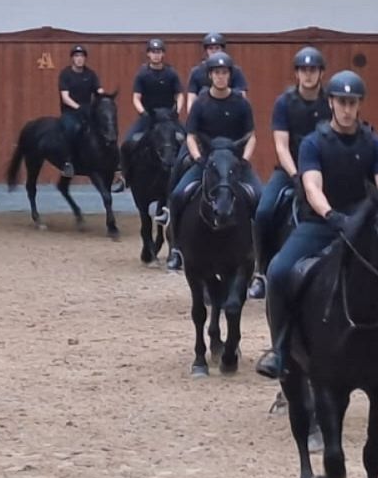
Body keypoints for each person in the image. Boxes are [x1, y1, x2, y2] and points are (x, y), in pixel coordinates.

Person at [254, 70, 378, 382]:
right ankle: (280, 350)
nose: (347, 108)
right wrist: (331, 214)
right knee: (278, 271)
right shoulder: (313, 144)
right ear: (330, 103)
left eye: (352, 102)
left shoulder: (375, 143)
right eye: (341, 101)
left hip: (365, 228)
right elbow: (312, 186)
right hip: (321, 224)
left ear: (359, 105)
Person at [158, 51, 256, 271]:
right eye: (216, 73)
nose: (221, 77)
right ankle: (176, 248)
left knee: (259, 197)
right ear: (210, 75)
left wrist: (244, 160)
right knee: (178, 195)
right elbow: (191, 136)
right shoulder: (201, 104)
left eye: (224, 73)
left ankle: (256, 252)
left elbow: (251, 136)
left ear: (230, 75)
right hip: (207, 162)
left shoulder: (241, 104)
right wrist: (198, 158)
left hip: (234, 163)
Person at [250, 46, 331, 299]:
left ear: (321, 74)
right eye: (303, 70)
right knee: (263, 212)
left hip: (323, 172)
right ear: (296, 74)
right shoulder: (284, 103)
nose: (308, 75)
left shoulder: (331, 101)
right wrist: (297, 175)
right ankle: (261, 272)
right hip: (290, 171)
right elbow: (281, 145)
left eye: (313, 70)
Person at [117, 38, 186, 185]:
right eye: (153, 52)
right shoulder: (142, 74)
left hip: (168, 117)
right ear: (148, 54)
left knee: (187, 140)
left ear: (163, 54)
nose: (156, 55)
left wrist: (177, 110)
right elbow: (136, 97)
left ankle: (187, 176)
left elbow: (179, 94)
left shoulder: (171, 73)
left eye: (159, 52)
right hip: (148, 117)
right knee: (127, 143)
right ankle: (124, 177)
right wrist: (142, 112)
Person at [55, 44, 104, 178]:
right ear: (72, 59)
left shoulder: (90, 74)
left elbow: (98, 90)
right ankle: (67, 162)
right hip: (70, 112)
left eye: (82, 56)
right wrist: (78, 107)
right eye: (76, 56)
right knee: (71, 129)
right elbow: (65, 97)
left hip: (88, 112)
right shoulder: (65, 74)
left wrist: (104, 98)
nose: (79, 59)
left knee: (105, 129)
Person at [185, 33, 248, 113]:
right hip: (205, 112)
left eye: (217, 48)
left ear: (222, 49)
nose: (214, 51)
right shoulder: (197, 71)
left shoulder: (235, 70)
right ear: (206, 51)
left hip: (229, 111)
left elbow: (242, 95)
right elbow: (191, 98)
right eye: (211, 48)